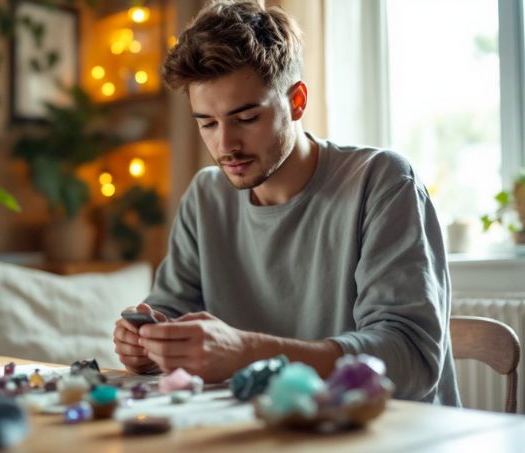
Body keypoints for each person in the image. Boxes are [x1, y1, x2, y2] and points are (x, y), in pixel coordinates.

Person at [112, 0, 459, 405]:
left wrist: (246, 353)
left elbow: (411, 362)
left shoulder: (381, 182)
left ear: (296, 102)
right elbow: (168, 310)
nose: (225, 145)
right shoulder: (206, 196)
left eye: (246, 119)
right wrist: (148, 345)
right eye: (207, 123)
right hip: (267, 432)